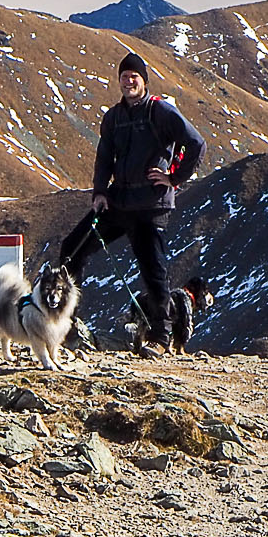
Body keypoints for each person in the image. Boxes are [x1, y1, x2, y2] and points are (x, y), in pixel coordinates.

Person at [57, 51, 206, 353]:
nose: (128, 81)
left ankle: (162, 338)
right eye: (124, 77)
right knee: (71, 250)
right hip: (118, 201)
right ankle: (64, 322)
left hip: (150, 205)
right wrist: (100, 192)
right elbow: (103, 158)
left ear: (144, 81)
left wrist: (174, 179)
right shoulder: (114, 117)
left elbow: (196, 144)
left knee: (153, 268)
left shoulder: (160, 111)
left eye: (133, 77)